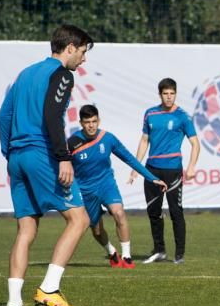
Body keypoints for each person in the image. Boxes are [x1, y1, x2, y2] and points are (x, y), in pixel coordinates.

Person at [0, 24, 94, 306]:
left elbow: (3, 117)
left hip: (17, 157)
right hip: (41, 154)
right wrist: (63, 157)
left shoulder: (25, 74)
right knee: (80, 218)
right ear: (70, 48)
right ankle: (50, 287)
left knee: (26, 230)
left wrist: (9, 151)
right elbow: (53, 116)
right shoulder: (62, 74)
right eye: (83, 52)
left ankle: (14, 304)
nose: (83, 60)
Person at [67, 104, 167, 269]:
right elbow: (62, 167)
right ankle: (112, 252)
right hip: (85, 190)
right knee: (97, 230)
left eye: (94, 121)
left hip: (106, 184)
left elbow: (129, 158)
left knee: (119, 212)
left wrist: (152, 178)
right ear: (81, 123)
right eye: (87, 122)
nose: (91, 125)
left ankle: (127, 257)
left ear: (99, 120)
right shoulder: (72, 143)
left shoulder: (108, 138)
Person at [130, 78, 200, 265]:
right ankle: (159, 250)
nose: (169, 97)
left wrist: (191, 166)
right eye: (165, 94)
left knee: (176, 211)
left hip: (173, 171)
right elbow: (144, 140)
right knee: (153, 211)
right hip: (152, 170)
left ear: (175, 94)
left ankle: (179, 254)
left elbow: (195, 144)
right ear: (160, 94)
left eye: (172, 94)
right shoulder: (150, 114)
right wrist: (136, 167)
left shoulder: (182, 117)